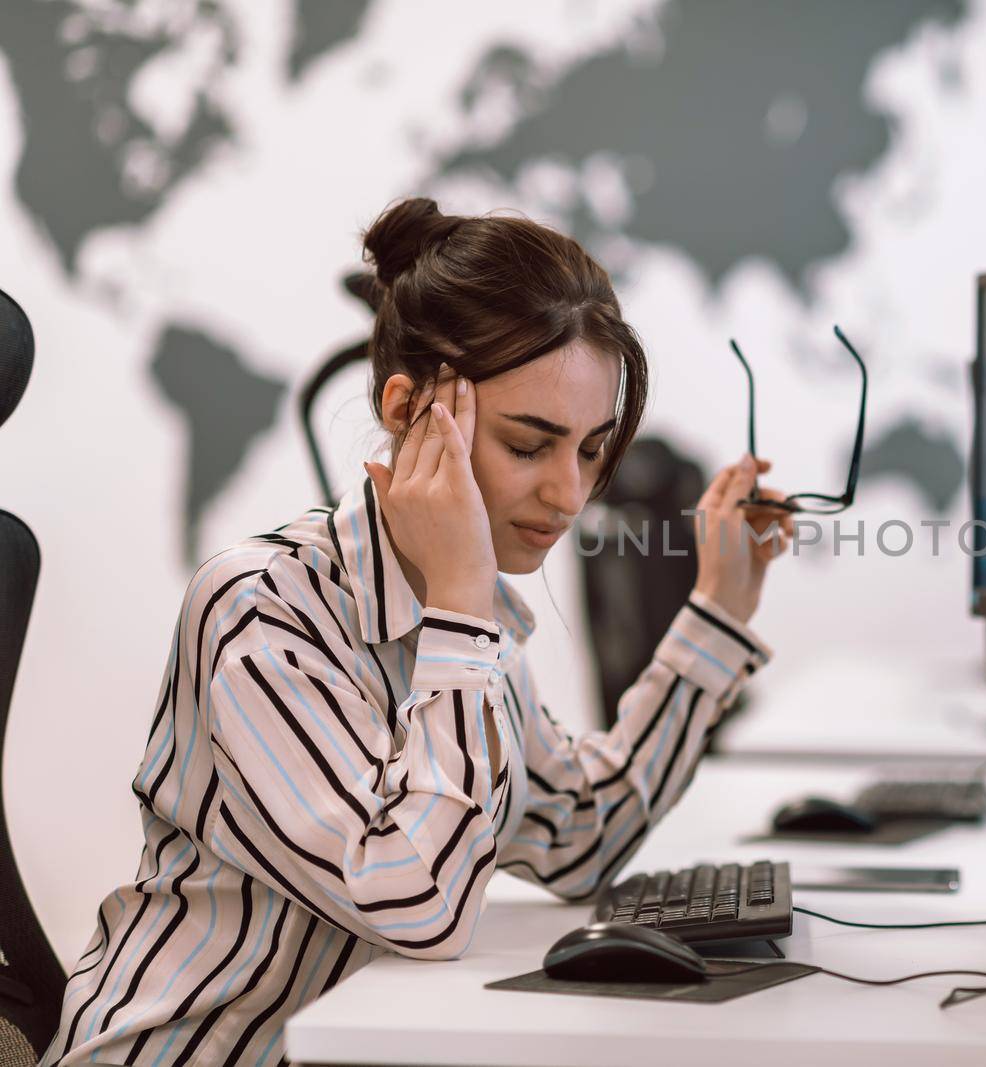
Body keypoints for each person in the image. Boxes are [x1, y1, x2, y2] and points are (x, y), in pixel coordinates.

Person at [40, 199, 792, 1065]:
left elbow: (580, 838)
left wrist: (719, 611)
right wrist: (463, 605)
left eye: (589, 450)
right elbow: (420, 903)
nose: (570, 495)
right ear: (409, 407)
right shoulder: (262, 610)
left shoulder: (468, 624)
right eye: (528, 444)